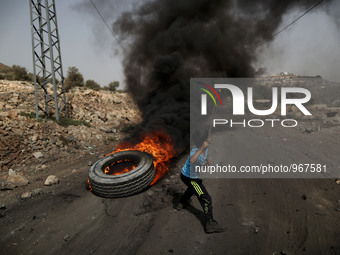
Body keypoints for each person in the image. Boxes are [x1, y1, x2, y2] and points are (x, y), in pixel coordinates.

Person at [176, 130, 225, 233]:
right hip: (189, 178)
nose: (209, 140)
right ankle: (210, 223)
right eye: (206, 140)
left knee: (191, 189)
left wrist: (209, 162)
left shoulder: (204, 148)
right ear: (202, 143)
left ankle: (182, 202)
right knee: (206, 198)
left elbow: (205, 153)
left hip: (190, 177)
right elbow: (192, 160)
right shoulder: (195, 152)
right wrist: (202, 148)